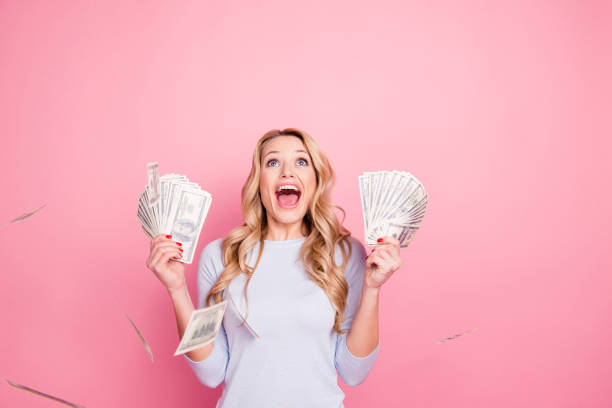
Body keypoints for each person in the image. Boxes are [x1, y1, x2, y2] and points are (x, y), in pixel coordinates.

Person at [146, 128, 403, 408]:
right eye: (272, 162)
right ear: (259, 182)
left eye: (301, 162)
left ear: (316, 180)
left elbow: (353, 372)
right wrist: (177, 290)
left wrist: (372, 289)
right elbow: (210, 372)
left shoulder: (345, 254)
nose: (287, 173)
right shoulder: (220, 256)